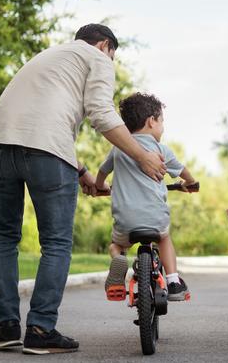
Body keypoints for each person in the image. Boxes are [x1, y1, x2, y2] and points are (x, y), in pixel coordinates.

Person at [0, 24, 167, 355]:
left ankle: (7, 327)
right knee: (55, 242)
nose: (111, 59)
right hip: (46, 151)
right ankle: (40, 328)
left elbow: (44, 120)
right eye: (113, 53)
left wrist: (81, 171)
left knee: (2, 237)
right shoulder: (98, 58)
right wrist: (141, 156)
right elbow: (100, 112)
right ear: (105, 45)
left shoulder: (47, 56)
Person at [95, 92, 196, 301]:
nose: (162, 127)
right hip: (154, 219)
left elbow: (102, 172)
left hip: (125, 221)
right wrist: (190, 183)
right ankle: (174, 281)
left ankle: (118, 258)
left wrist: (100, 186)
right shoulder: (161, 150)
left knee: (116, 245)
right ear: (152, 121)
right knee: (164, 237)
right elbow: (184, 172)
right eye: (161, 122)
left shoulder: (118, 149)